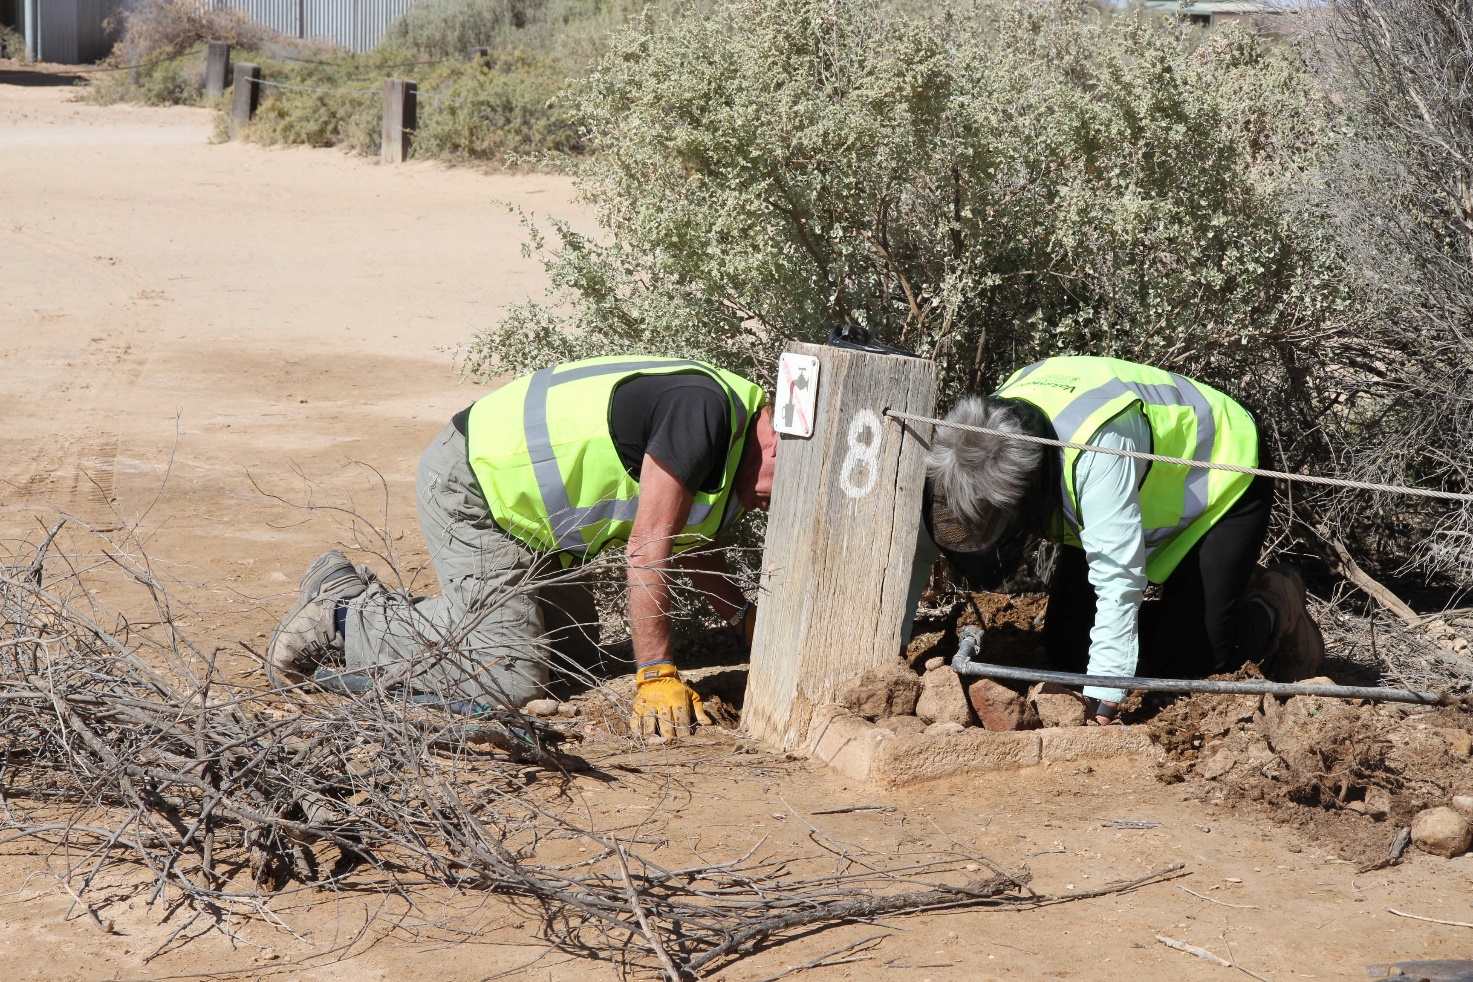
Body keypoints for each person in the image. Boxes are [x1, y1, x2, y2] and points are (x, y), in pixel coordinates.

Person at [267, 355, 776, 737]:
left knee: (573, 660)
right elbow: (649, 547)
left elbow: (686, 538)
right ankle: (340, 617)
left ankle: (378, 604)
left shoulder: (735, 428)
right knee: (512, 677)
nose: (771, 507)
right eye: (783, 490)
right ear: (777, 440)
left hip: (534, 526)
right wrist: (656, 674)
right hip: (477, 490)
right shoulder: (703, 411)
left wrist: (740, 617)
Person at [920, 355, 1323, 725]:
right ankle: (1184, 619)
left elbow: (1119, 578)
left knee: (1193, 660)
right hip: (1131, 488)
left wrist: (1104, 699)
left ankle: (1273, 605)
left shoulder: (1095, 451)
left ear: (1027, 484)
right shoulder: (978, 433)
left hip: (1224, 469)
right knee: (1065, 652)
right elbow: (919, 543)